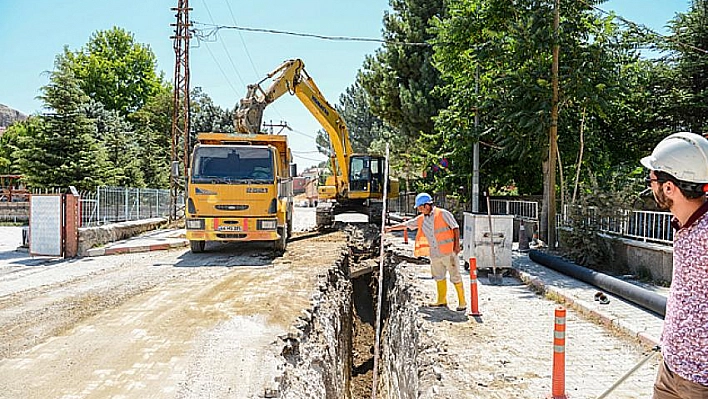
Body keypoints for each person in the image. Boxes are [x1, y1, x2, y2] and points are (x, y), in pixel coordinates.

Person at [641, 132, 708, 398]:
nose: (651, 185)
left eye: (654, 179)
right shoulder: (683, 224)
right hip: (671, 367)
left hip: (700, 381)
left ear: (670, 188)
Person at [384, 192, 467, 311]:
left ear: (427, 205)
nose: (418, 210)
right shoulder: (421, 219)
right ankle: (441, 300)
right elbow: (407, 225)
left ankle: (462, 302)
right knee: (439, 276)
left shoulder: (443, 214)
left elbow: (455, 227)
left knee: (455, 276)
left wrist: (457, 246)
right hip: (435, 254)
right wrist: (391, 228)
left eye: (420, 207)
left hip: (449, 253)